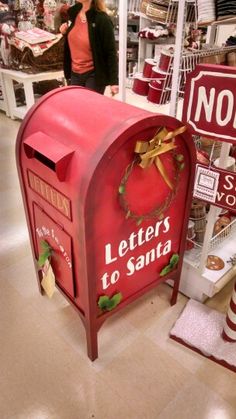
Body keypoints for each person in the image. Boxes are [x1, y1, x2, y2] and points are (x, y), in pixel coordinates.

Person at [60, 0, 119, 96]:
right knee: (77, 108)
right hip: (74, 72)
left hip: (94, 74)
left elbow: (111, 52)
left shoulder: (102, 19)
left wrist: (114, 81)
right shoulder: (74, 13)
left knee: (90, 108)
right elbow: (77, 40)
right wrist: (65, 33)